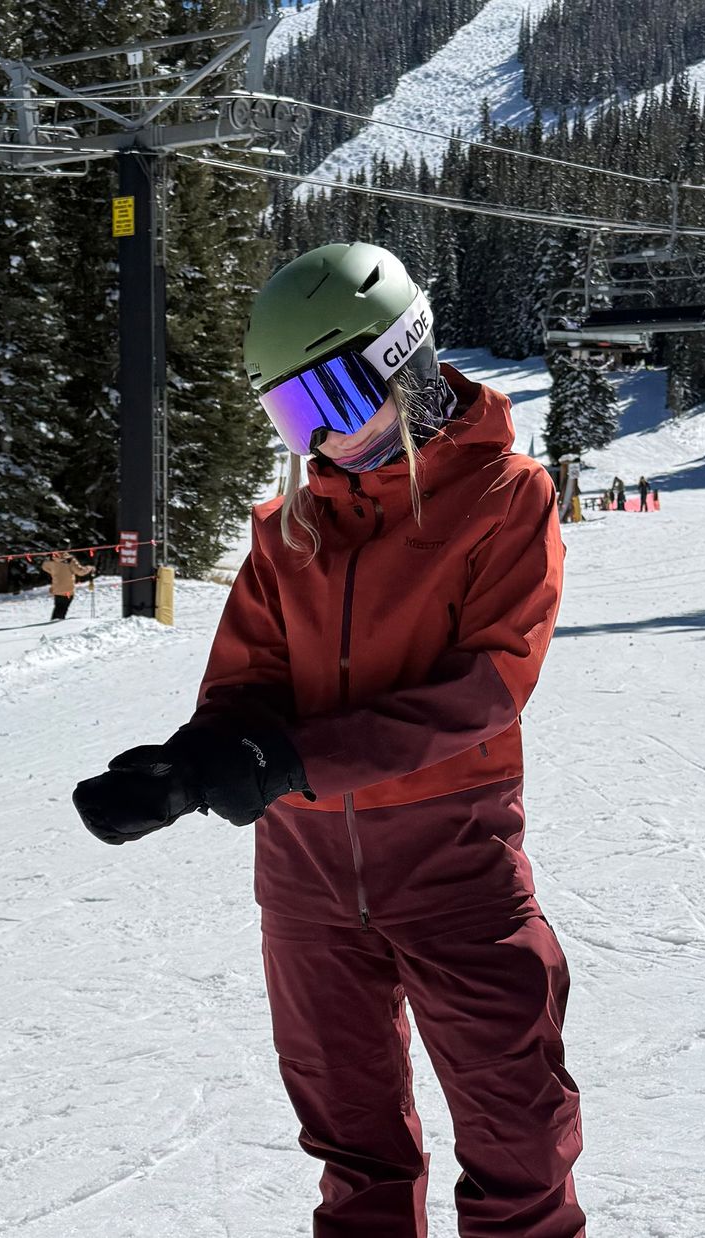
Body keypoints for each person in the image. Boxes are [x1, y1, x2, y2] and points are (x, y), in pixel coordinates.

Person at [73, 242, 585, 1238]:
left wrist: (292, 757)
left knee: (516, 1140)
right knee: (354, 1155)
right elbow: (247, 681)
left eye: (334, 406)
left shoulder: (503, 496)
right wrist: (186, 769)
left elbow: (485, 687)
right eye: (292, 418)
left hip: (452, 869)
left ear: (406, 363)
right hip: (304, 883)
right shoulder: (287, 527)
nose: (321, 441)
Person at [41, 550, 94, 621]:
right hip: (68, 590)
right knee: (62, 608)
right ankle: (56, 625)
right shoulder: (70, 560)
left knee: (58, 607)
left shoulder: (51, 559)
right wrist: (89, 568)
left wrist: (55, 571)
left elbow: (44, 567)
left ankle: (54, 622)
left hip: (56, 589)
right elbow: (80, 572)